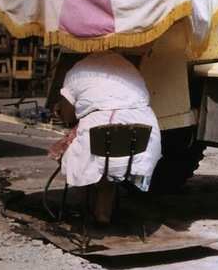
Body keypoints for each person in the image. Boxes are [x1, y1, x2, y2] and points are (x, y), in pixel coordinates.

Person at [53, 51, 162, 225]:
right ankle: (103, 212)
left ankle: (87, 208)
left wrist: (61, 108)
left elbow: (67, 116)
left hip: (101, 139)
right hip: (142, 145)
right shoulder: (129, 67)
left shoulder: (77, 71)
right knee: (108, 155)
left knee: (84, 154)